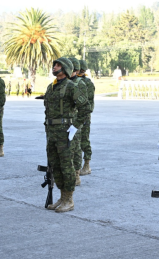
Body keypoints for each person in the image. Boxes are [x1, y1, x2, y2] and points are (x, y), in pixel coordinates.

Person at [44, 57, 90, 212]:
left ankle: (69, 200)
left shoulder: (71, 86)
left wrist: (75, 127)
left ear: (65, 69)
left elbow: (85, 108)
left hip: (65, 132)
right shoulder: (51, 87)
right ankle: (62, 197)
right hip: (52, 132)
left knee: (66, 166)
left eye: (57, 65)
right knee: (55, 165)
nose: (54, 67)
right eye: (54, 64)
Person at [68, 57, 88, 186]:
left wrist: (79, 122)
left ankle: (76, 174)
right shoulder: (64, 83)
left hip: (76, 121)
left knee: (76, 148)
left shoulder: (80, 83)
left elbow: (85, 105)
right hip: (65, 121)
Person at [78, 60, 95, 176]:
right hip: (73, 116)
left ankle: (87, 165)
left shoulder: (87, 83)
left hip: (84, 115)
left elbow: (88, 102)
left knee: (84, 140)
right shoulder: (73, 81)